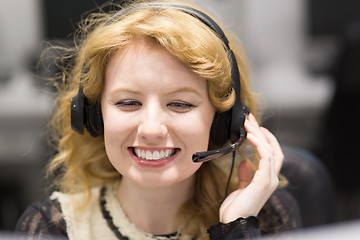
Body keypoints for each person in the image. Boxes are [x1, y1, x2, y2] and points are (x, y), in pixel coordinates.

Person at [16, 0, 301, 239]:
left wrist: (237, 228)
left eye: (180, 104)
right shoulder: (53, 227)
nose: (151, 129)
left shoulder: (263, 214)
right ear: (93, 115)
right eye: (128, 102)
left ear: (224, 120)